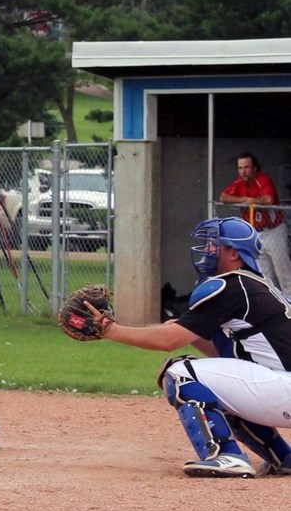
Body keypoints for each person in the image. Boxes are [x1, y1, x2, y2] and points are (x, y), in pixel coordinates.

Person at [82, 216, 291, 478]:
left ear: (235, 254)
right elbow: (224, 357)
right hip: (282, 388)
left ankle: (226, 455)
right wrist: (191, 332)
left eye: (216, 245)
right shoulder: (255, 286)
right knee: (214, 385)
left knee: (181, 373)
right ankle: (283, 458)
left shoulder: (231, 286)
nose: (207, 250)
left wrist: (110, 330)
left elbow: (167, 341)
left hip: (283, 389)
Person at [220, 152, 291, 295]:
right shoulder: (239, 183)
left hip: (273, 231)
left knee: (283, 274)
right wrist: (242, 200)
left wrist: (252, 201)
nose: (243, 172)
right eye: (240, 168)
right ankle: (277, 310)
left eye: (247, 168)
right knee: (264, 277)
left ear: (254, 168)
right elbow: (223, 197)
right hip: (256, 234)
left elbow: (268, 200)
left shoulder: (263, 179)